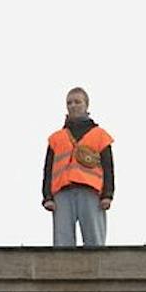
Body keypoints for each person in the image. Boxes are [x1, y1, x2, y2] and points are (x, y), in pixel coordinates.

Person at [43, 85, 114, 247]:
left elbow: (108, 168)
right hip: (62, 193)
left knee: (95, 240)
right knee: (62, 243)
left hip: (91, 192)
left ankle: (96, 265)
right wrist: (47, 196)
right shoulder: (56, 138)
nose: (73, 106)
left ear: (86, 105)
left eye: (77, 102)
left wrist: (107, 194)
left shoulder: (100, 135)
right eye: (69, 103)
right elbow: (48, 170)